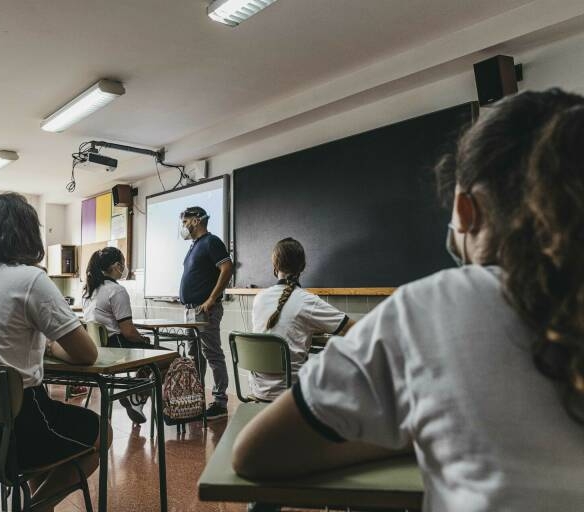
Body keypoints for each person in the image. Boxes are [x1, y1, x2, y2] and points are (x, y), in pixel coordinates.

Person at [232, 89, 584, 510]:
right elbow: (351, 328)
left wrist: (420, 425)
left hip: (260, 393)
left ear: (464, 209)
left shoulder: (432, 308)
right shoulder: (312, 301)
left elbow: (255, 453)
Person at [0, 192, 104, 512]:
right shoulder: (30, 280)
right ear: (28, 233)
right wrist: (52, 345)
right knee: (101, 434)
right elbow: (86, 354)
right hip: (15, 431)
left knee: (55, 427)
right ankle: (37, 507)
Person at [250, 238, 353, 401]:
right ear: (302, 267)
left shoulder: (259, 298)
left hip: (258, 389)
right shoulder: (308, 301)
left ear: (274, 266)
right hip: (290, 394)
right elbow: (352, 328)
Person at [82, 246, 169, 424]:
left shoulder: (89, 290)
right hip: (118, 350)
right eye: (123, 263)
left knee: (151, 357)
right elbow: (129, 333)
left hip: (98, 350)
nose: (125, 267)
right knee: (171, 357)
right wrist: (144, 340)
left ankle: (136, 396)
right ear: (116, 266)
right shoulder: (116, 290)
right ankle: (136, 395)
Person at [179, 206, 233, 420]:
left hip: (205, 310)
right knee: (195, 357)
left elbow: (227, 268)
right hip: (191, 310)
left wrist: (211, 299)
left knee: (212, 354)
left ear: (196, 220)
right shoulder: (194, 245)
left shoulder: (211, 242)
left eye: (185, 221)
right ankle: (197, 397)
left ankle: (220, 402)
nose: (183, 226)